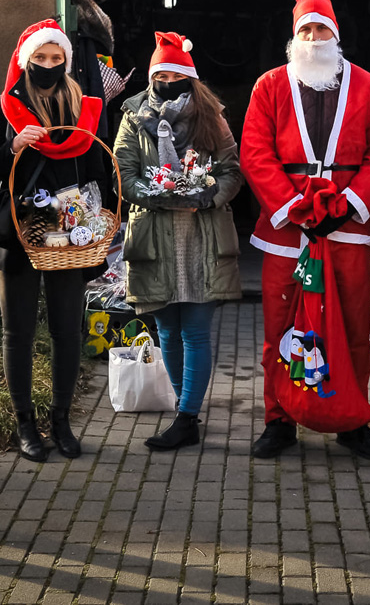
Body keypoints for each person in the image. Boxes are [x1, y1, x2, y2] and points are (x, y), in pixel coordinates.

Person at [240, 0, 370, 460]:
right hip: (287, 230)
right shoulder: (269, 85)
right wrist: (293, 207)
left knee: (352, 326)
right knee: (281, 326)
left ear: (336, 35)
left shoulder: (366, 85)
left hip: (346, 229)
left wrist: (348, 203)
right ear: (295, 37)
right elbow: (255, 152)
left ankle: (351, 420)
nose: (314, 36)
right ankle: (278, 419)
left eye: (321, 28)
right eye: (306, 29)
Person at [0, 19, 113, 463]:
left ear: (67, 63)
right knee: (17, 332)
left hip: (71, 235)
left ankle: (61, 421)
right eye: (40, 58)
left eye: (57, 59)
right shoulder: (7, 104)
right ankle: (25, 424)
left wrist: (105, 220)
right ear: (26, 60)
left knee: (66, 331)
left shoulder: (86, 106)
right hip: (21, 233)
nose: (48, 65)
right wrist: (15, 145)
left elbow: (100, 169)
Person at [114, 32, 243, 450]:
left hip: (202, 238)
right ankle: (182, 410)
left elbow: (231, 170)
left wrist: (207, 194)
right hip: (154, 237)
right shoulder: (133, 116)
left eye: (174, 73)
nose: (166, 80)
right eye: (160, 74)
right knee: (167, 330)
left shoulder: (212, 116)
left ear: (189, 77)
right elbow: (123, 171)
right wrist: (154, 193)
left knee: (197, 332)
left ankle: (188, 417)